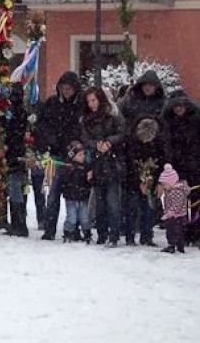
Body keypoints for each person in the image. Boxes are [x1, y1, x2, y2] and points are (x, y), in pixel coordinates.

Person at [36, 72, 83, 240]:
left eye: (69, 88)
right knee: (53, 195)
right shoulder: (52, 103)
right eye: (63, 88)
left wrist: (76, 143)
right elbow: (42, 126)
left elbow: (82, 128)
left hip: (75, 156)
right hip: (56, 155)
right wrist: (50, 140)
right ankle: (49, 229)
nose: (66, 91)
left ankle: (74, 230)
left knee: (74, 196)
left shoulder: (80, 105)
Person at [80, 88, 124, 245]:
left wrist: (109, 142)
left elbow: (122, 133)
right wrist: (96, 144)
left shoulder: (113, 115)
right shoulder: (86, 119)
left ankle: (114, 234)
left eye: (93, 100)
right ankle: (102, 233)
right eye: (89, 101)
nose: (91, 104)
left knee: (113, 202)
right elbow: (85, 138)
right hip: (97, 163)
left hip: (112, 162)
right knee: (99, 203)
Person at [121, 116, 167, 247]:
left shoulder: (159, 144)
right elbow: (129, 164)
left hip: (152, 180)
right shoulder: (131, 143)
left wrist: (159, 182)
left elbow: (163, 162)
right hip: (133, 180)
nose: (145, 141)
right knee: (131, 209)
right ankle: (130, 237)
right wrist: (138, 182)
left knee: (149, 210)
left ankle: (147, 236)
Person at [161, 92, 200, 190]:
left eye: (181, 106)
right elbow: (166, 144)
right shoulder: (167, 122)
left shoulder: (196, 120)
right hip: (176, 167)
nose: (178, 109)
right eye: (175, 106)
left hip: (195, 165)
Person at [5, 83, 29, 237]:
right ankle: (19, 222)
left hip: (14, 153)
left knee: (15, 188)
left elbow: (10, 131)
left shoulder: (13, 112)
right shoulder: (23, 112)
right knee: (20, 187)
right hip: (20, 152)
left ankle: (18, 223)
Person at [60, 142, 92, 243]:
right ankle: (67, 234)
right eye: (80, 155)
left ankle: (87, 234)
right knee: (71, 217)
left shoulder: (86, 167)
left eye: (83, 154)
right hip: (71, 197)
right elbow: (64, 181)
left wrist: (90, 180)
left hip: (82, 197)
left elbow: (89, 182)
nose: (83, 157)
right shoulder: (68, 167)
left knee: (85, 218)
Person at [157, 164, 188, 254]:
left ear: (171, 182)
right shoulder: (171, 190)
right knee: (177, 231)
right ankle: (178, 246)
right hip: (175, 215)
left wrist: (167, 214)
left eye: (164, 184)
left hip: (176, 216)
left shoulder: (176, 191)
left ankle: (173, 246)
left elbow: (176, 205)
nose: (163, 187)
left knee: (172, 231)